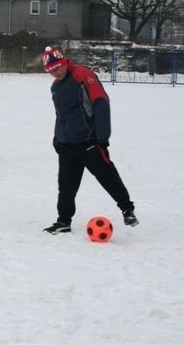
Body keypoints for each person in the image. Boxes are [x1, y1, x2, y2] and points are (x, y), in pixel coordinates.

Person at [41, 46, 139, 234]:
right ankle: (64, 221)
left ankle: (127, 209)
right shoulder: (55, 87)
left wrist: (102, 137)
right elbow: (60, 115)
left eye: (58, 67)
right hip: (67, 145)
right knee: (66, 186)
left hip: (89, 141)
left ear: (64, 62)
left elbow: (101, 103)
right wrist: (57, 138)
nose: (56, 72)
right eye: (51, 71)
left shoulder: (83, 76)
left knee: (107, 176)